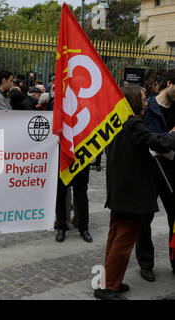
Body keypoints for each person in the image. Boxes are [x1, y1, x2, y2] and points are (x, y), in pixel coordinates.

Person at [94, 85, 175, 300]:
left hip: (119, 190)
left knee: (115, 237)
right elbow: (160, 142)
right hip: (130, 194)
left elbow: (133, 151)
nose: (147, 102)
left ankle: (108, 282)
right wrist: (173, 134)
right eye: (143, 98)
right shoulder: (134, 123)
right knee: (123, 241)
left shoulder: (118, 122)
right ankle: (109, 288)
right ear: (133, 101)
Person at [137, 69, 175, 281]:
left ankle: (174, 259)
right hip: (150, 170)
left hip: (173, 171)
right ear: (169, 84)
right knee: (144, 219)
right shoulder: (148, 107)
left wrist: (163, 141)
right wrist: (169, 137)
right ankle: (146, 263)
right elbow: (146, 138)